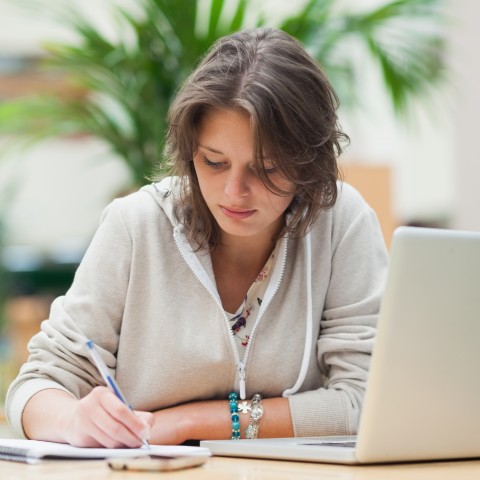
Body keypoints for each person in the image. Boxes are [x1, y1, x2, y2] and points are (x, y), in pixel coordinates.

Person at [6, 27, 388, 448]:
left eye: (266, 169)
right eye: (214, 162)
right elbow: (35, 387)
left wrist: (191, 421)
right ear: (190, 152)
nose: (234, 192)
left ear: (308, 163)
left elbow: (364, 401)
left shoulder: (342, 223)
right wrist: (72, 419)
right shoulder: (135, 226)